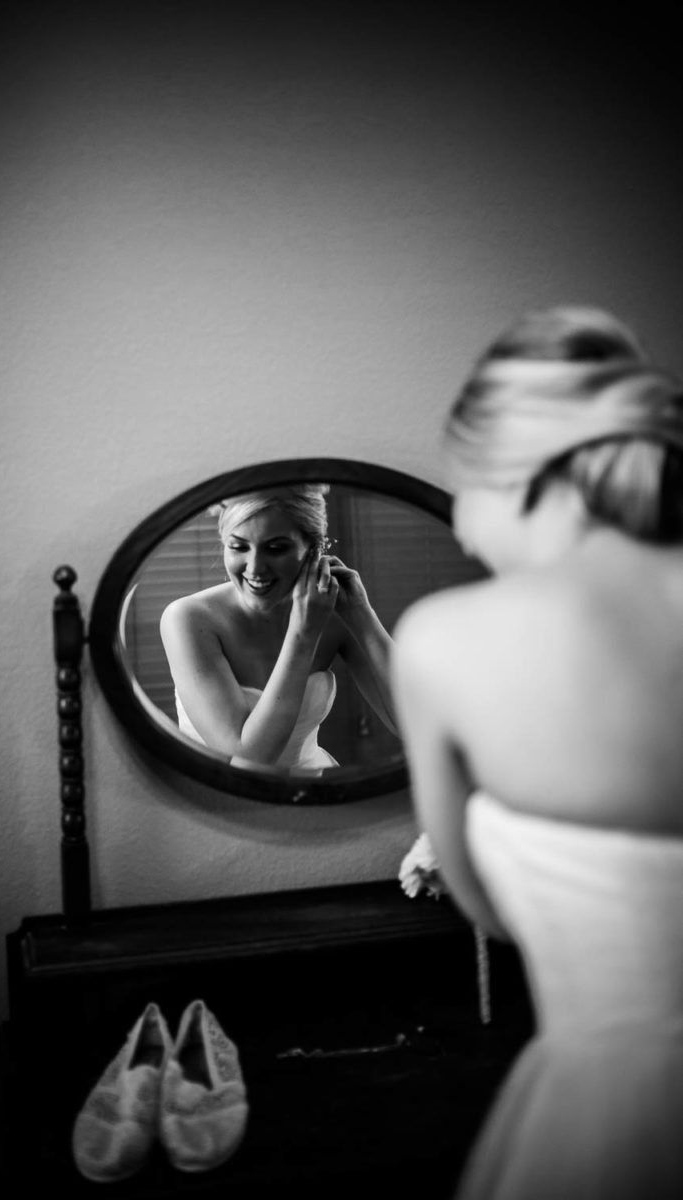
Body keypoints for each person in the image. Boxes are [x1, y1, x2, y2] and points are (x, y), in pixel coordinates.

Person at [391, 306, 683, 1199]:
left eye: (460, 494)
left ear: (520, 477)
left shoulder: (446, 640)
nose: (464, 531)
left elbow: (485, 907)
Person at [160, 484, 397, 769]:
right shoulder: (188, 618)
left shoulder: (335, 613)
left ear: (314, 549)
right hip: (217, 803)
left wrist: (361, 615)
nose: (255, 568)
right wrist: (302, 634)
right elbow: (246, 762)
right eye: (238, 547)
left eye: (276, 549)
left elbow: (416, 722)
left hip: (316, 793)